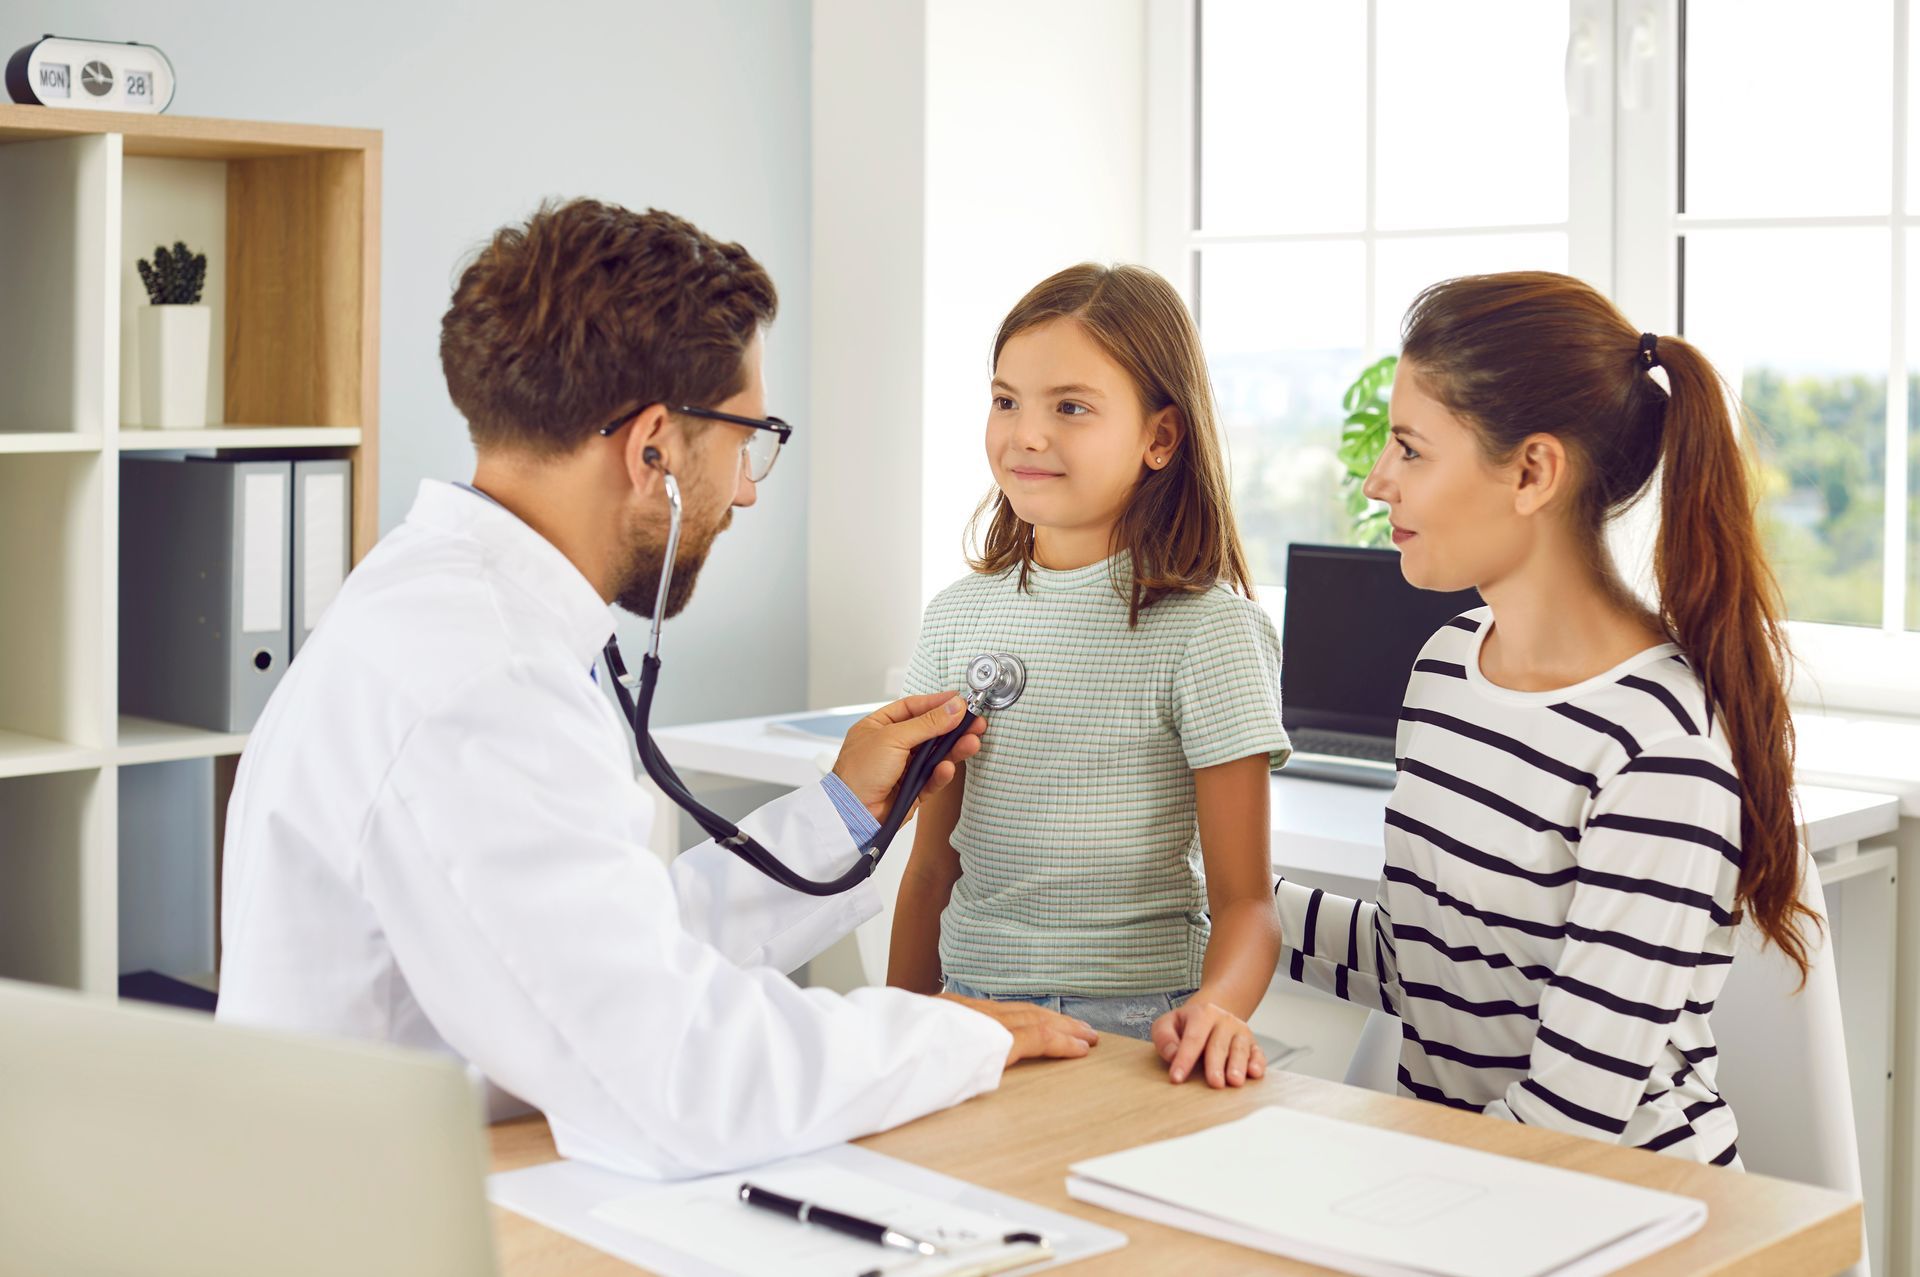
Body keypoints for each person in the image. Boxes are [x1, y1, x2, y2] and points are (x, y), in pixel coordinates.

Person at [216, 200, 1097, 1180]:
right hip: (377, 1212)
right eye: (746, 438)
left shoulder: (434, 603)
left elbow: (601, 946)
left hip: (418, 1169)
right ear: (653, 449)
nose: (750, 488)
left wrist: (842, 813)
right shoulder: (487, 680)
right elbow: (684, 1078)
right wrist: (954, 1037)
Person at [1275, 270, 1817, 1164]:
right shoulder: (1448, 665)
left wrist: (1363, 1173)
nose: (1377, 482)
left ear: (1532, 471)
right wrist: (1203, 894)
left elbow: (1565, 1125)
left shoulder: (1657, 751)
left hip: (1622, 1210)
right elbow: (1431, 964)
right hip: (1478, 1184)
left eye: (1410, 449)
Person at [886, 264, 1290, 1090]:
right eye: (1006, 401)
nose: (1026, 434)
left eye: (1069, 406)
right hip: (970, 1014)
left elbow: (1248, 903)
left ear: (1160, 438)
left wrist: (1217, 1010)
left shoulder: (1211, 631)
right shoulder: (954, 616)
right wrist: (895, 1030)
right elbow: (931, 865)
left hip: (1134, 1030)